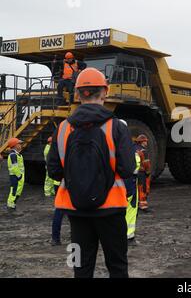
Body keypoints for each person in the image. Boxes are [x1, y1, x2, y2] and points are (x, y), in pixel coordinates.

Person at [47, 68, 136, 278]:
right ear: (105, 92)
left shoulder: (62, 128)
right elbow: (127, 168)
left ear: (77, 94)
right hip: (111, 211)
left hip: (75, 212)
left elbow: (54, 171)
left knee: (80, 266)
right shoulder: (117, 127)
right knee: (117, 266)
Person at [6, 138, 25, 211]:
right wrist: (19, 176)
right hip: (15, 176)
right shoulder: (13, 155)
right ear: (15, 145)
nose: (20, 145)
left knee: (18, 191)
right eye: (19, 144)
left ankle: (13, 203)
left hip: (18, 176)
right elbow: (14, 167)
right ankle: (10, 204)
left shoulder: (17, 154)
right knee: (14, 190)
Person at [134, 135, 151, 211]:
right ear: (142, 142)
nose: (146, 143)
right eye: (146, 141)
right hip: (141, 172)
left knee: (136, 188)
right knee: (143, 188)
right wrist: (148, 172)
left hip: (134, 172)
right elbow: (146, 163)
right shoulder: (143, 151)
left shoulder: (133, 149)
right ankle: (143, 206)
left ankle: (136, 204)